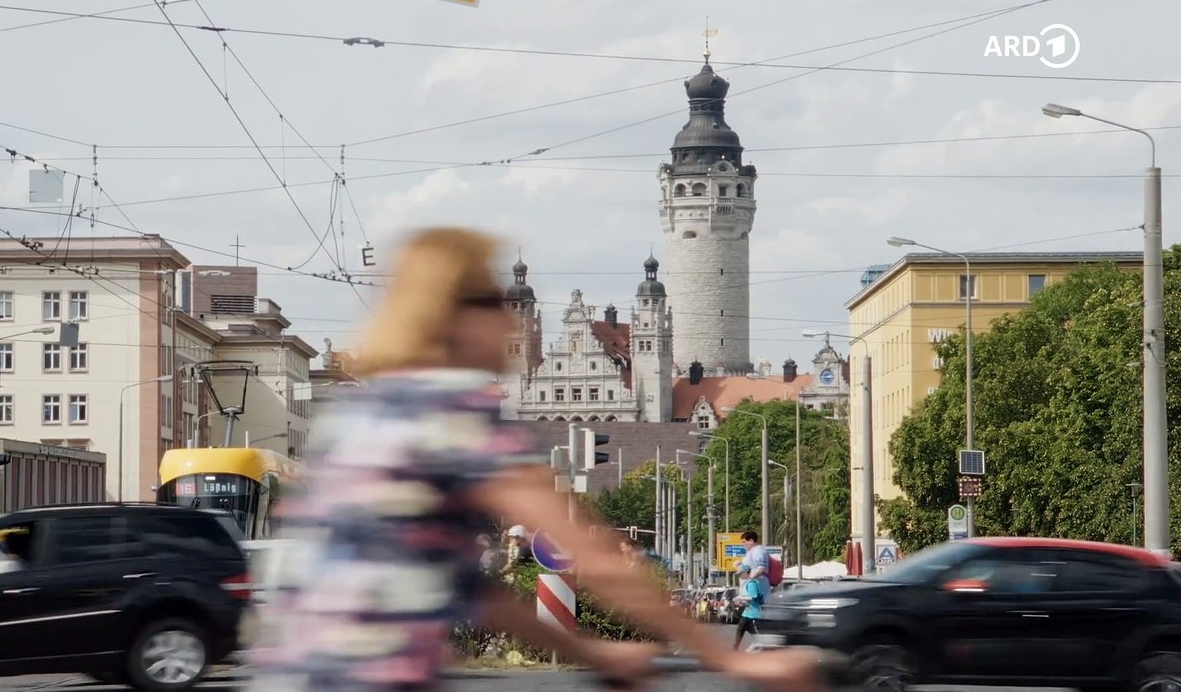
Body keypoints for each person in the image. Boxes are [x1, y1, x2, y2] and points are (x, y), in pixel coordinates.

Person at [245, 228, 825, 692]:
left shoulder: (365, 411)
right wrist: (720, 660)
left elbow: (471, 591)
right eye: (495, 305)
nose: (509, 320)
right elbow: (589, 551)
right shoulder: (448, 409)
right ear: (454, 317)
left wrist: (585, 649)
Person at [734, 564, 764, 650]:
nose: (739, 576)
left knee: (744, 628)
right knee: (742, 628)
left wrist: (740, 598)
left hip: (753, 612)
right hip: (749, 612)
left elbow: (753, 597)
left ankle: (761, 645)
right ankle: (736, 647)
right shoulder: (749, 583)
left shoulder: (751, 583)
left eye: (740, 574)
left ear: (745, 573)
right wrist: (741, 602)